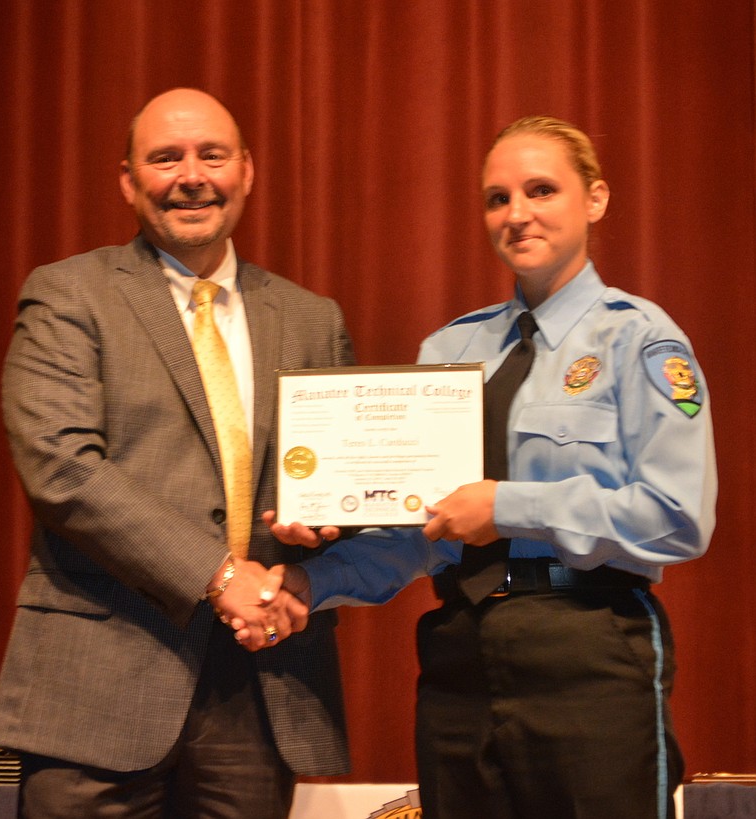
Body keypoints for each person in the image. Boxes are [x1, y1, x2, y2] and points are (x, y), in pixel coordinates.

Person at [266, 116, 716, 819]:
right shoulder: (451, 350)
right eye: (497, 198)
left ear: (596, 199)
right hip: (460, 658)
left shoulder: (639, 338)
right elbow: (423, 533)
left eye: (542, 190)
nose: (517, 213)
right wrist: (308, 578)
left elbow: (678, 516)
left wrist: (507, 507)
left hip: (590, 645)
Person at [0, 88, 355, 819]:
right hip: (98, 687)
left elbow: (335, 477)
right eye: (165, 158)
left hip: (258, 685)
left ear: (246, 170)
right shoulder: (69, 295)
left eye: (211, 155)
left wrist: (323, 532)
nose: (191, 176)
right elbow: (61, 468)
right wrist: (219, 574)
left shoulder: (313, 319)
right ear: (129, 181)